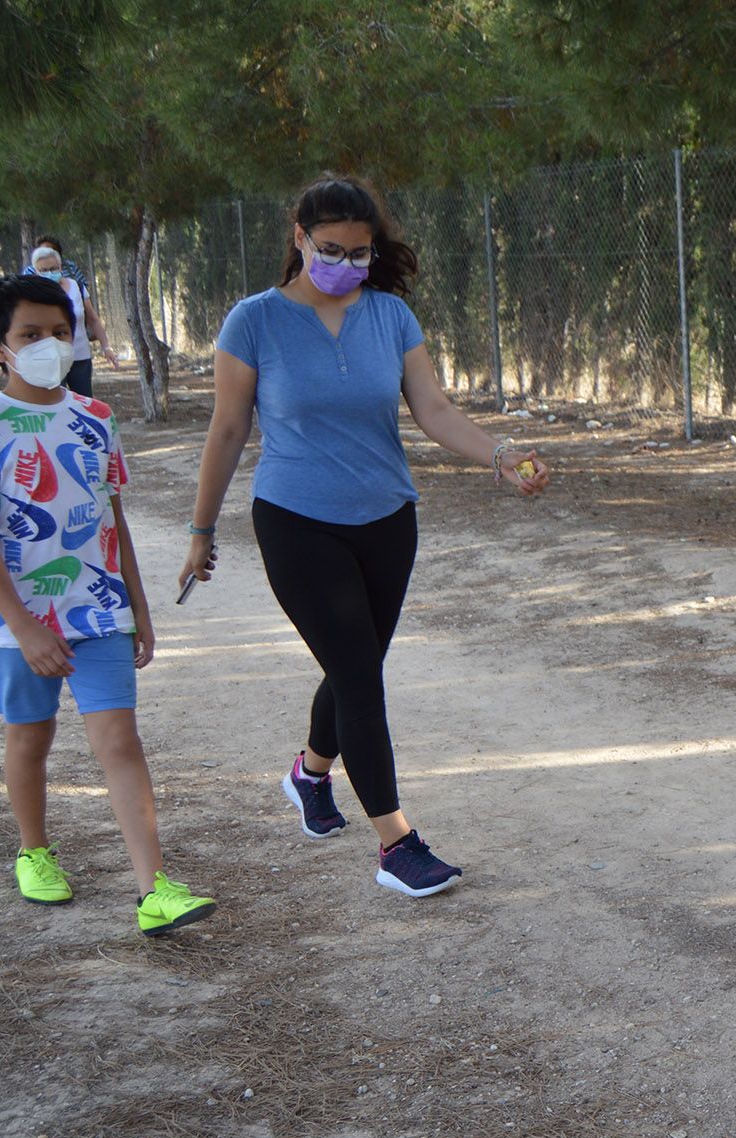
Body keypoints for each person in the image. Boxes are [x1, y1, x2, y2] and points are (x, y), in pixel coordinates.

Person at [182, 175, 550, 897]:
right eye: (331, 249)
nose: (346, 264)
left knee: (355, 666)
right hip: (296, 520)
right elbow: (227, 430)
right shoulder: (253, 321)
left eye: (359, 252)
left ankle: (310, 773)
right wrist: (201, 530)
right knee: (358, 674)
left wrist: (499, 457)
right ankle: (397, 844)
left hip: (388, 519)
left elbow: (434, 409)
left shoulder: (390, 317)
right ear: (298, 237)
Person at [0, 275, 217, 936]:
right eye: (29, 335)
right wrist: (23, 626)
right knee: (30, 738)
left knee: (119, 739)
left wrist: (138, 610)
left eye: (60, 333)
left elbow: (112, 523)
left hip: (98, 611)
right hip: (19, 625)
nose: (49, 345)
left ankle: (154, 888)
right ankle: (33, 853)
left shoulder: (95, 419)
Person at [29, 246, 117, 397]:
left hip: (79, 355)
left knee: (84, 400)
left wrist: (106, 347)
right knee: (55, 401)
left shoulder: (77, 287)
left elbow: (93, 319)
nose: (49, 273)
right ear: (36, 271)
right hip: (50, 359)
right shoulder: (31, 293)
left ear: (61, 267)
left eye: (53, 268)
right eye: (44, 270)